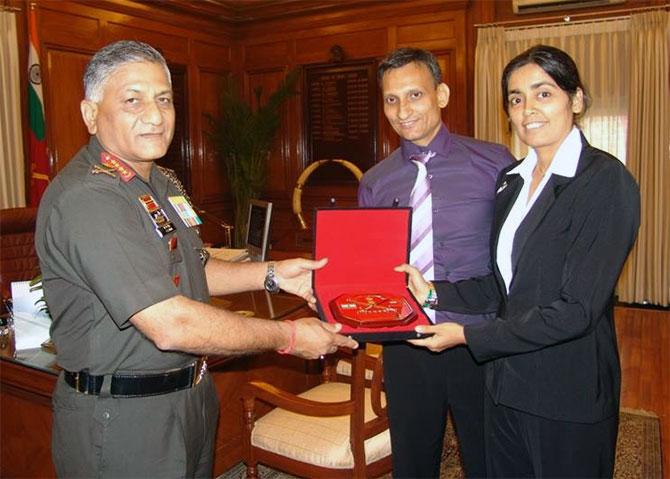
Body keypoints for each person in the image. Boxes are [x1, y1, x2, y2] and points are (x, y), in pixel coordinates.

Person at [34, 40, 357, 478]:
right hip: (123, 416)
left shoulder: (162, 183)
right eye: (133, 100)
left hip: (189, 398)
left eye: (163, 99)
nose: (155, 115)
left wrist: (274, 274)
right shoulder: (90, 198)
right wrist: (291, 336)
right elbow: (171, 324)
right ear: (91, 114)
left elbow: (193, 265)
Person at [397, 45, 640, 478]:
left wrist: (469, 336)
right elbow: (502, 284)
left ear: (577, 100)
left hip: (568, 392)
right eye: (515, 98)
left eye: (543, 93)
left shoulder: (604, 181)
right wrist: (434, 291)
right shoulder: (511, 182)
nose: (528, 108)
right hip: (505, 386)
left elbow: (576, 310)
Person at [358, 47, 513, 478]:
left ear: (441, 94)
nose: (402, 110)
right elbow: (370, 269)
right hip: (407, 343)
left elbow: (514, 256)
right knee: (412, 460)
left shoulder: (495, 162)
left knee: (487, 457)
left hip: (475, 337)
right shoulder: (374, 182)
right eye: (391, 99)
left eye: (414, 95)